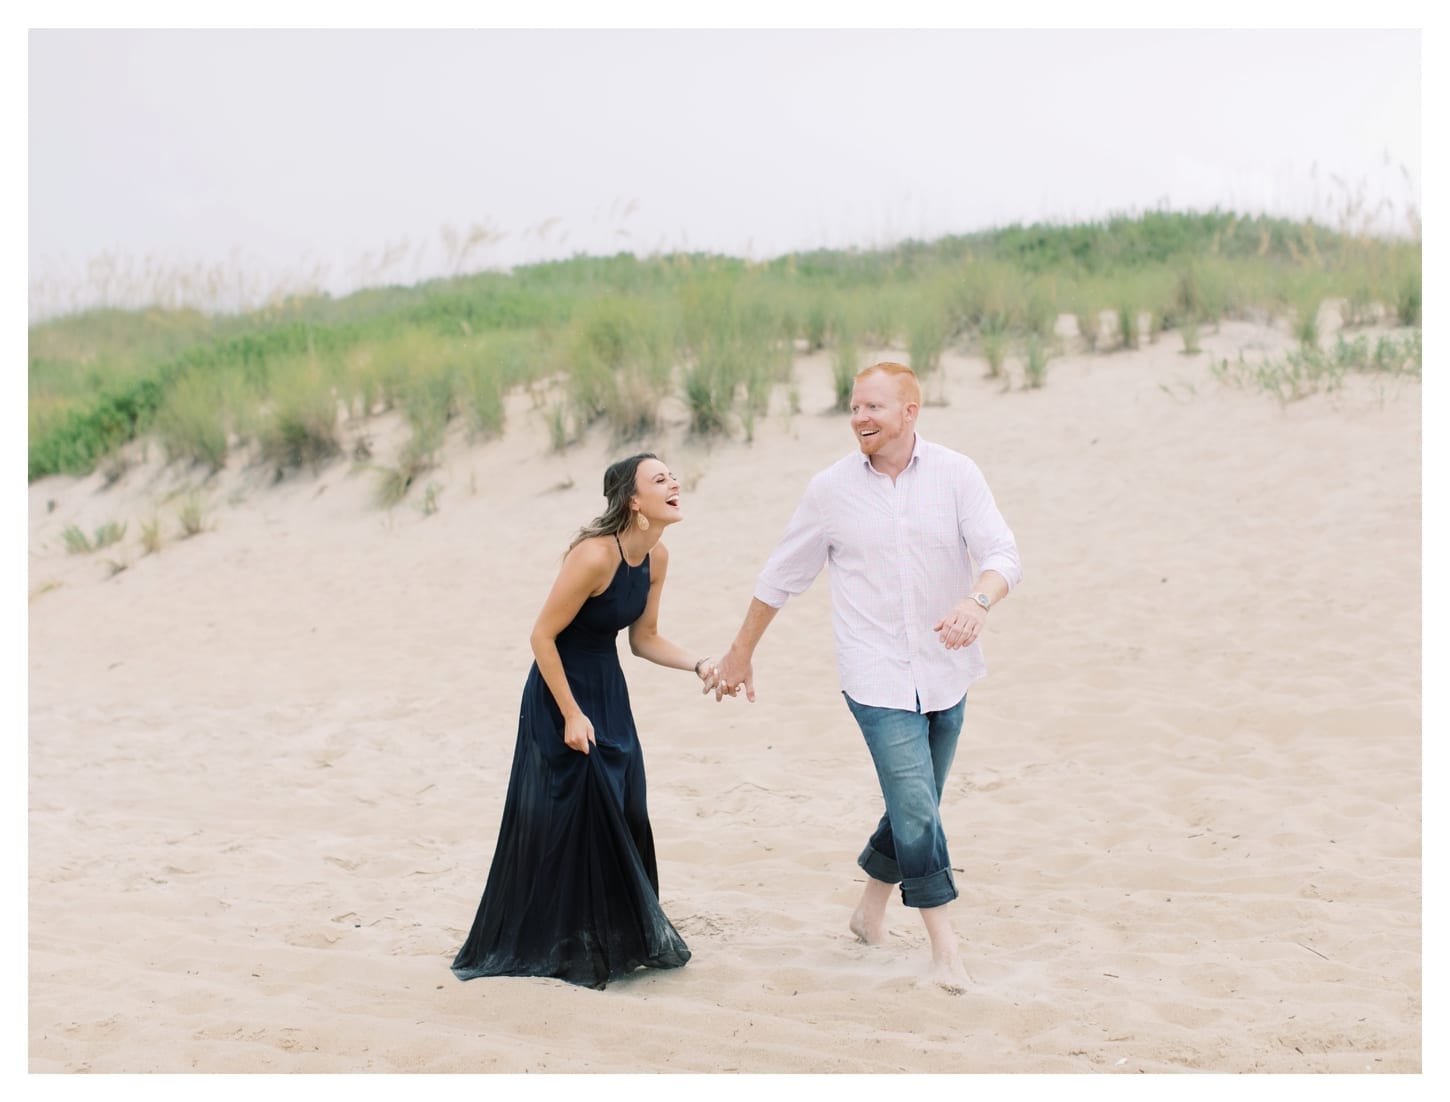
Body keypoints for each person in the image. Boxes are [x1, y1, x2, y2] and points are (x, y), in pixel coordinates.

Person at [707, 361, 1022, 992]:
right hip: (873, 674)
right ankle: (945, 952)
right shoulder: (829, 490)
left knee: (917, 801)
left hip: (945, 670)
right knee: (916, 804)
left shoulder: (957, 475)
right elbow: (781, 577)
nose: (860, 418)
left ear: (911, 411)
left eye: (873, 407)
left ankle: (868, 911)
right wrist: (740, 652)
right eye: (854, 408)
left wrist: (977, 602)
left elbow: (1002, 554)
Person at [451, 452, 716, 990]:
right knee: (570, 814)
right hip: (560, 692)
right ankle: (556, 941)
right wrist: (571, 715)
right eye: (659, 478)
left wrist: (700, 664)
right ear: (634, 501)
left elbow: (643, 639)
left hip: (608, 689)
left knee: (624, 804)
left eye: (673, 475)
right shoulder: (594, 556)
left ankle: (614, 935)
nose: (675, 483)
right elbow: (541, 636)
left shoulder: (657, 557)